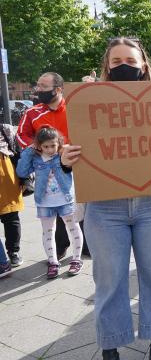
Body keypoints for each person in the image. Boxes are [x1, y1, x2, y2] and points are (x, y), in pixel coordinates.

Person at [61, 37, 151, 360]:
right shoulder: (87, 104)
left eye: (130, 60)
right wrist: (65, 157)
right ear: (107, 68)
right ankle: (110, 346)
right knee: (109, 280)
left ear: (143, 64)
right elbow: (73, 149)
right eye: (116, 62)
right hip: (104, 206)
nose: (123, 66)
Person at [16, 72, 75, 259]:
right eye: (38, 85)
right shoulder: (32, 112)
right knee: (57, 206)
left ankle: (85, 246)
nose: (38, 89)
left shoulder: (75, 107)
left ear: (58, 89)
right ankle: (60, 247)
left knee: (80, 207)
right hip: (48, 169)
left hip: (76, 164)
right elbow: (21, 135)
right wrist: (38, 149)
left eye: (43, 86)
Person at [16, 127, 84, 278]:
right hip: (44, 202)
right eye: (45, 146)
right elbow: (21, 172)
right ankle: (53, 262)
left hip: (65, 199)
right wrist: (28, 151)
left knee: (73, 227)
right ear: (39, 145)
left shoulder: (62, 155)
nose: (49, 149)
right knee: (48, 232)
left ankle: (77, 259)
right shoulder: (35, 158)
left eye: (53, 145)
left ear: (58, 143)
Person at [0, 123, 24, 269]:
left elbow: (18, 154)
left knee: (11, 219)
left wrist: (24, 178)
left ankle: (13, 252)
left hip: (7, 180)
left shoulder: (5, 129)